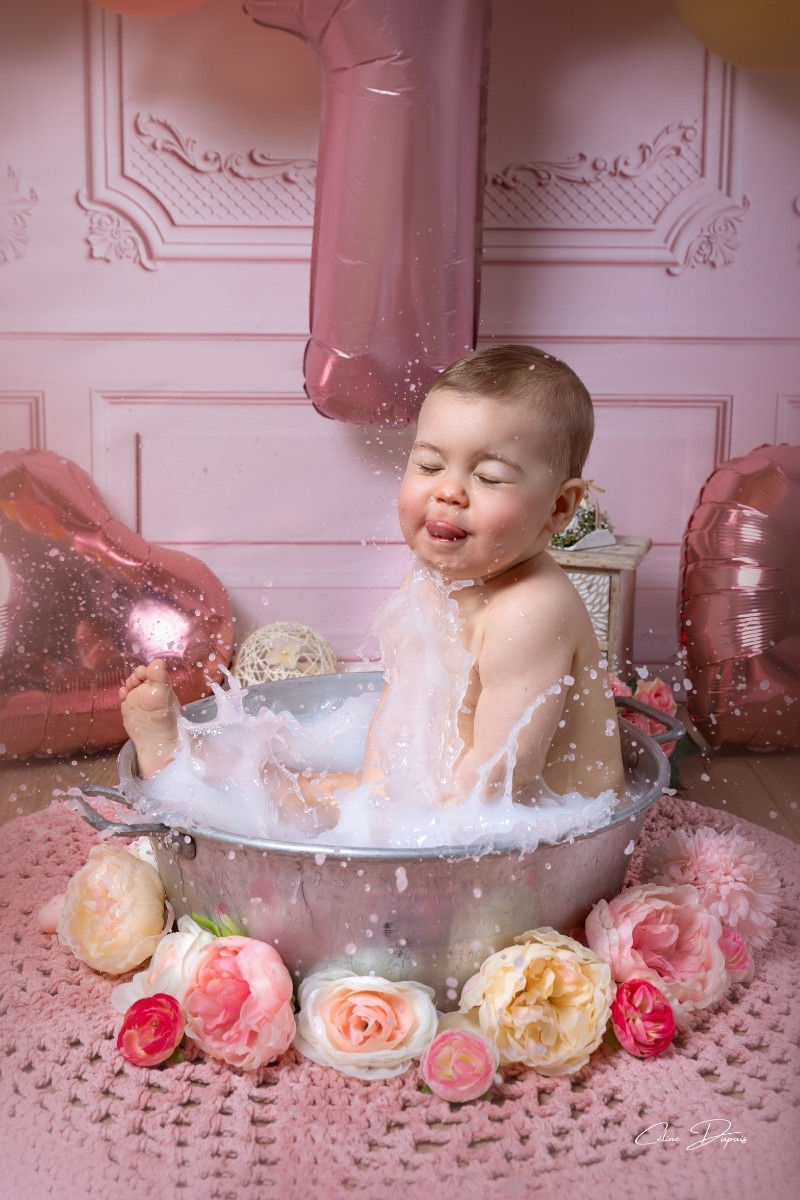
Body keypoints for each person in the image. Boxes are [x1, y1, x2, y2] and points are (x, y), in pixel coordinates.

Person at [120, 344, 625, 822]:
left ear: (559, 507)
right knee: (299, 794)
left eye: (489, 477)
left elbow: (500, 775)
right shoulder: (433, 582)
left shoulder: (531, 611)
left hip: (545, 823)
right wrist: (379, 792)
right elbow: (403, 710)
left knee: (333, 806)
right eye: (429, 465)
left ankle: (199, 782)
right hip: (451, 793)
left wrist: (406, 833)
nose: (448, 491)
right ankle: (183, 765)